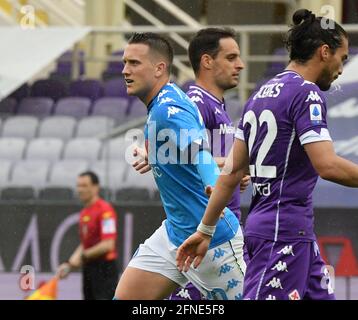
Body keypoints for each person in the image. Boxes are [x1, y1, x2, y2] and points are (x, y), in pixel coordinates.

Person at [176, 9, 356, 300]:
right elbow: (328, 165)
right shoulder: (307, 93)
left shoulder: (258, 95)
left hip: (290, 232)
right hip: (281, 233)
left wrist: (206, 230)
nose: (341, 68)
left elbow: (232, 172)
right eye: (342, 58)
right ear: (325, 52)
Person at [114, 32, 246, 300]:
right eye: (125, 63)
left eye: (134, 63)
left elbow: (200, 155)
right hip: (174, 233)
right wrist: (157, 155)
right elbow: (189, 150)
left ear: (159, 68)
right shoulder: (166, 99)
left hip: (211, 240)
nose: (125, 71)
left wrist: (213, 181)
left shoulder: (168, 108)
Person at [169, 27, 250, 301]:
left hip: (219, 230)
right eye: (231, 57)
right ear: (207, 61)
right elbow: (184, 157)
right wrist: (231, 167)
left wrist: (231, 171)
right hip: (211, 235)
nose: (240, 64)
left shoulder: (216, 104)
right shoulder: (196, 103)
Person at [57, 171, 119, 300]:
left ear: (96, 187)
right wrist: (69, 264)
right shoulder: (84, 212)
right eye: (78, 185)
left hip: (104, 269)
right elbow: (85, 245)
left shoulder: (105, 210)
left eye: (84, 185)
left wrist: (83, 256)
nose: (80, 190)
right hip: (89, 269)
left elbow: (108, 244)